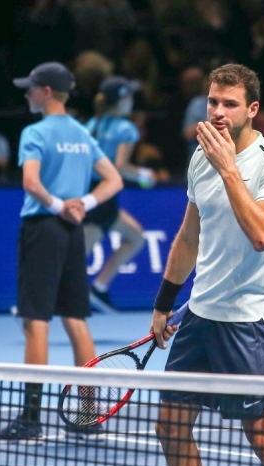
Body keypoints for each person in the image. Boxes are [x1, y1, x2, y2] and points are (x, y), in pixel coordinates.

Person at [149, 63, 264, 466]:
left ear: (251, 109)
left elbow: (261, 235)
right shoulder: (200, 157)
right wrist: (163, 303)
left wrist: (229, 168)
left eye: (229, 104)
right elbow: (188, 237)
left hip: (247, 323)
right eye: (213, 101)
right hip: (199, 316)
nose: (217, 111)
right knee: (170, 427)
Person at [0, 62, 122, 442]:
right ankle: (88, 414)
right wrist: (83, 203)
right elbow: (113, 180)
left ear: (46, 92)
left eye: (30, 88)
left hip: (43, 229)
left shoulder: (34, 132)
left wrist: (59, 205)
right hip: (73, 232)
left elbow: (31, 183)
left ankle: (31, 419)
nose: (26, 94)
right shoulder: (81, 133)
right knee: (76, 320)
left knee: (35, 321)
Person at [84, 75, 157, 313]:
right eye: (129, 96)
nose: (132, 101)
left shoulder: (91, 125)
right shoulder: (126, 129)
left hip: (89, 191)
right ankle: (38, 301)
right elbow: (121, 166)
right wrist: (145, 175)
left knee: (135, 237)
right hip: (104, 194)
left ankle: (99, 288)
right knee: (76, 255)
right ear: (122, 100)